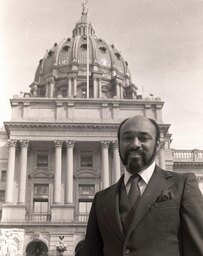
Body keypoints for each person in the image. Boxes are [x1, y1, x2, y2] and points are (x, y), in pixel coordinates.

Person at [82, 115, 203, 256]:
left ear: (157, 145)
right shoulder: (101, 199)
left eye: (144, 138)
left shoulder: (182, 185)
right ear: (118, 144)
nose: (135, 144)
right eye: (127, 138)